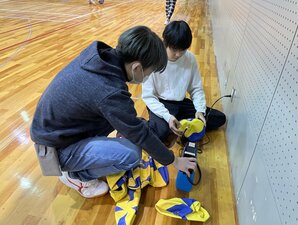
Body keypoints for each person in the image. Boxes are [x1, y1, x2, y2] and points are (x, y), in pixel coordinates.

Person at [30, 25, 197, 199]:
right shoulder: (110, 91)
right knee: (132, 153)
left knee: (131, 123)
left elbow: (129, 121)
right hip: (55, 149)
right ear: (137, 68)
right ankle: (76, 177)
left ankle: (79, 163)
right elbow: (140, 134)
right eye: (150, 72)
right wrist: (174, 161)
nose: (149, 76)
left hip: (57, 131)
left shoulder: (101, 58)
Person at [142, 20, 226, 146]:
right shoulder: (153, 59)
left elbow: (196, 88)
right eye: (175, 49)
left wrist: (199, 111)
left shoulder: (189, 58)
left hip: (180, 103)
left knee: (218, 118)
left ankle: (180, 122)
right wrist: (167, 116)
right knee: (159, 135)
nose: (178, 54)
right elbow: (148, 96)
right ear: (166, 42)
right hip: (160, 103)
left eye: (183, 50)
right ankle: (148, 123)